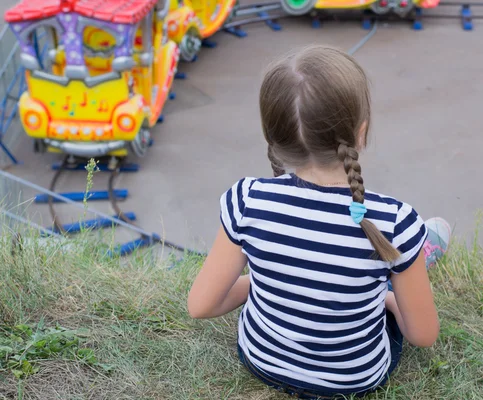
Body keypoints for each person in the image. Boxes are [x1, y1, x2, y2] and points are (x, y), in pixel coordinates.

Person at [187, 44, 452, 399]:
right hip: (353, 379)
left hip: (261, 360)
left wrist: (265, 281)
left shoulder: (246, 200)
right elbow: (423, 335)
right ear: (361, 132)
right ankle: (411, 264)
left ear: (274, 137)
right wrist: (388, 300)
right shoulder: (396, 221)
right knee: (390, 280)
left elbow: (200, 305)